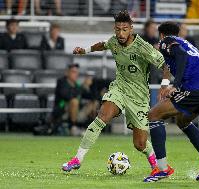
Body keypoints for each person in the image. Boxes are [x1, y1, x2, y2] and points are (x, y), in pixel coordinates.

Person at [62, 11, 166, 173]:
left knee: (139, 144)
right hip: (119, 88)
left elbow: (165, 65)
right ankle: (77, 159)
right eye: (117, 29)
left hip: (138, 96)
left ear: (131, 29)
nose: (120, 33)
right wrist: (84, 50)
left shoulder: (143, 47)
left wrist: (165, 84)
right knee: (102, 116)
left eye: (124, 29)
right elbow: (103, 44)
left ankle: (156, 165)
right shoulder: (114, 41)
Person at [144, 21, 199, 182]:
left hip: (196, 89)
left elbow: (181, 56)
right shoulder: (185, 44)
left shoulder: (167, 41)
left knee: (153, 114)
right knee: (182, 121)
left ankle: (162, 168)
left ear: (161, 35)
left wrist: (176, 85)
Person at [53, 63, 98, 136]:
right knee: (74, 101)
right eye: (73, 72)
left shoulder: (77, 84)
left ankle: (89, 127)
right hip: (62, 110)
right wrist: (82, 87)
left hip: (77, 112)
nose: (76, 74)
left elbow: (92, 97)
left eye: (77, 72)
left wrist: (91, 86)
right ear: (67, 73)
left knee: (94, 103)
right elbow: (68, 96)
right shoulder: (61, 82)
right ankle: (72, 128)